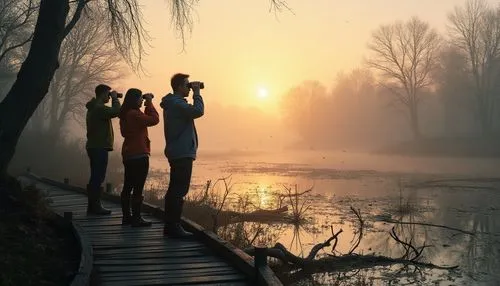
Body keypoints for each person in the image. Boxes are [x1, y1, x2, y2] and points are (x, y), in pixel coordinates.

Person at [160, 73, 204, 238]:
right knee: (178, 190)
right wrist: (197, 93)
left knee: (175, 189)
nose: (189, 88)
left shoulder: (173, 104)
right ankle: (173, 226)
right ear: (179, 87)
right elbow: (198, 111)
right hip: (181, 152)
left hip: (179, 151)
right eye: (187, 85)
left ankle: (171, 225)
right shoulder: (177, 104)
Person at [118, 88, 159, 227]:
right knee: (138, 188)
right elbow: (154, 120)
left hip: (128, 153)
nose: (142, 100)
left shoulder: (125, 114)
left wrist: (146, 103)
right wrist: (150, 103)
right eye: (140, 98)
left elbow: (145, 120)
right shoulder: (134, 114)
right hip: (139, 154)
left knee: (127, 186)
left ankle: (126, 217)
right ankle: (136, 218)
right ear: (134, 100)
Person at [85, 84, 121, 215]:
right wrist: (116, 99)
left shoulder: (94, 107)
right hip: (99, 146)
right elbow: (117, 111)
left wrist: (113, 98)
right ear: (103, 94)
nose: (109, 96)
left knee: (96, 176)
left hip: (94, 145)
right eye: (108, 94)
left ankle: (93, 206)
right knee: (98, 177)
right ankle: (95, 207)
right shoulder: (99, 108)